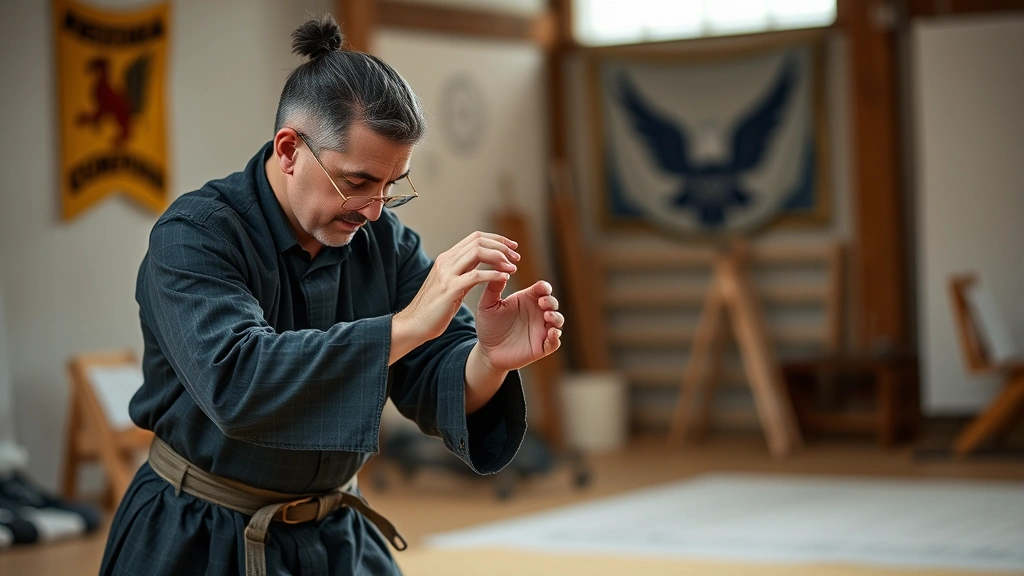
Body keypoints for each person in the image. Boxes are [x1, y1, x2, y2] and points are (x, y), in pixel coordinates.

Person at [100, 13, 563, 576]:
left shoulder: (382, 239)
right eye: (358, 181)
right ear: (290, 149)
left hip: (337, 536)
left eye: (392, 186)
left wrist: (487, 360)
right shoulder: (195, 236)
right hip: (200, 533)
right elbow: (237, 380)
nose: (373, 209)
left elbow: (432, 368)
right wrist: (407, 324)